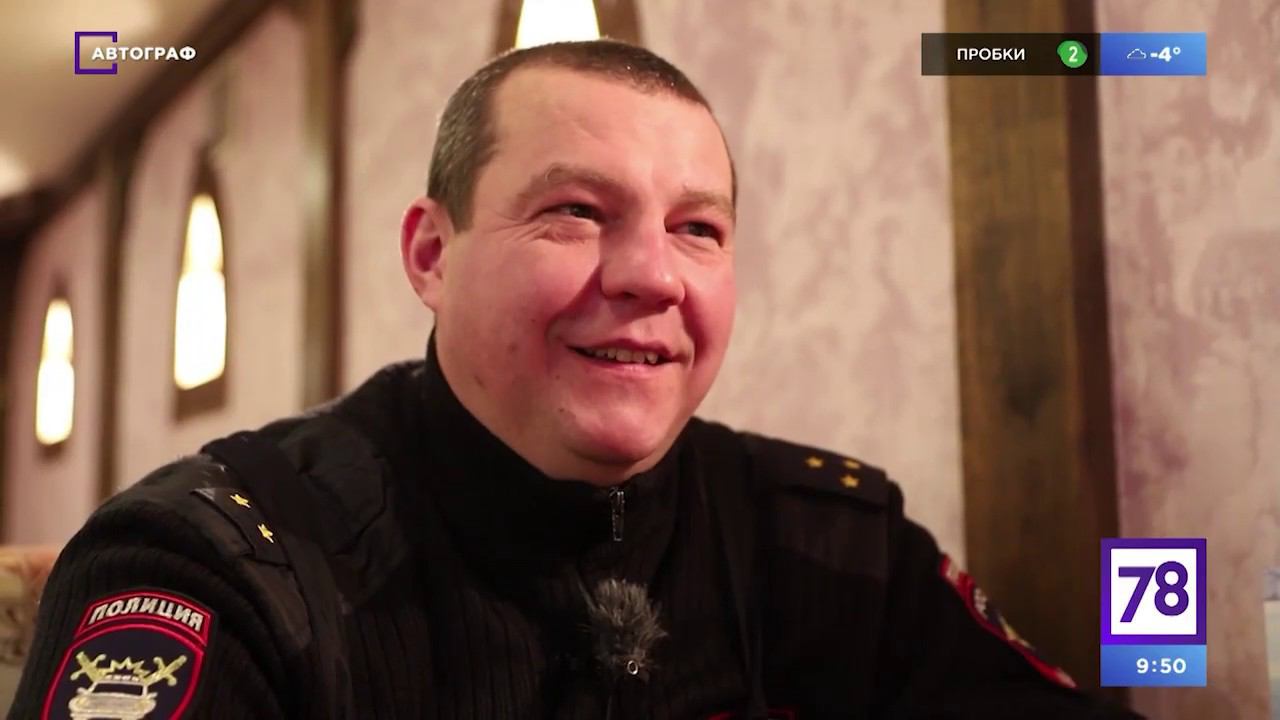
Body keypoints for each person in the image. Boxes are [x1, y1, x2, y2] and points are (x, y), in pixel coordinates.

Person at [11, 40, 1140, 719]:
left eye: (697, 228)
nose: (652, 275)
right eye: (575, 212)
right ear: (431, 254)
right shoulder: (207, 567)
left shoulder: (836, 545)